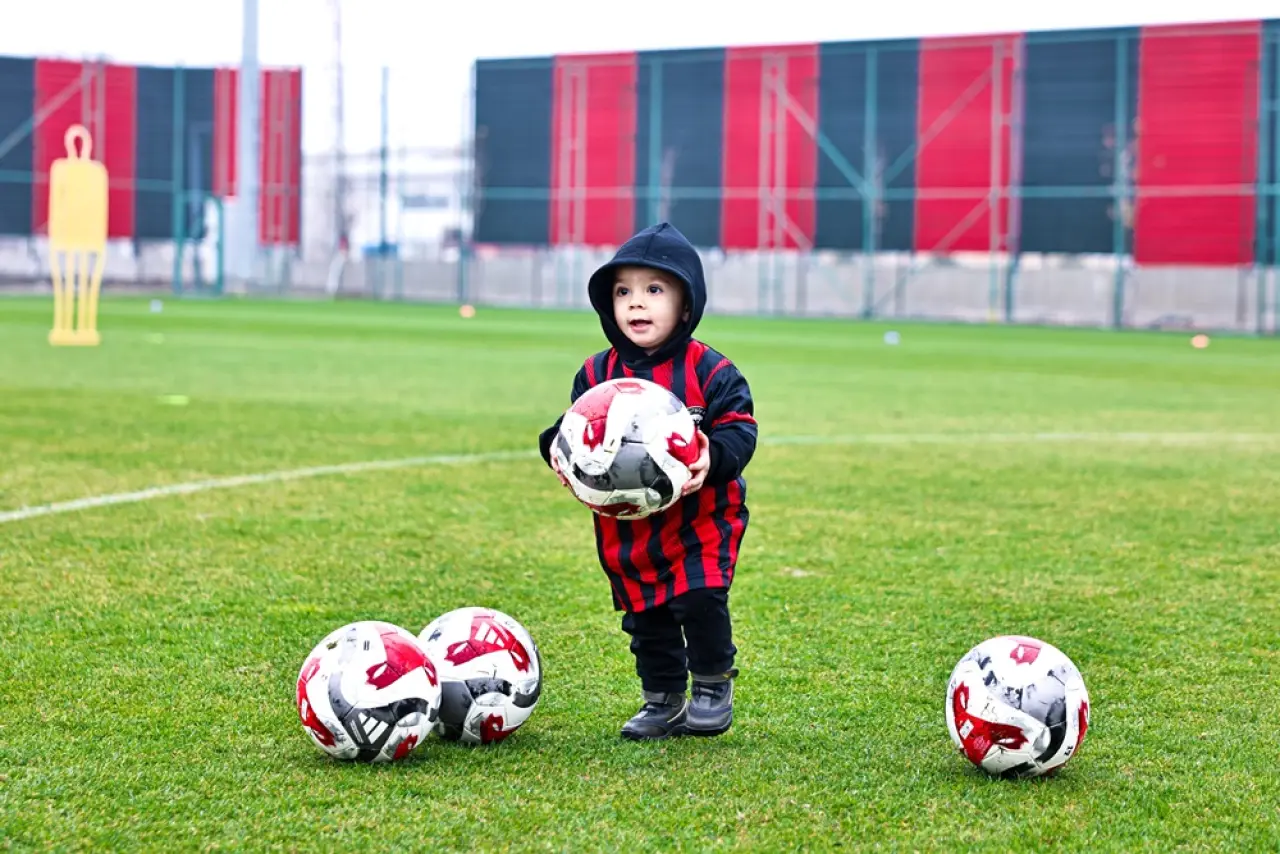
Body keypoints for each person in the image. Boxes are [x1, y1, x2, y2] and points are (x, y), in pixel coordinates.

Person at [537, 222, 758, 740]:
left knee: (700, 599)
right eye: (623, 292)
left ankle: (710, 682)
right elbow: (575, 427)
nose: (636, 303)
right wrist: (552, 445)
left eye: (653, 290)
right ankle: (661, 698)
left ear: (686, 304)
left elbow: (740, 430)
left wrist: (714, 456)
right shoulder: (596, 375)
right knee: (646, 617)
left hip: (701, 520)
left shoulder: (713, 371)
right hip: (629, 531)